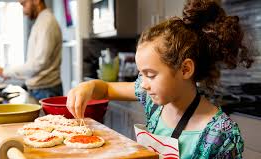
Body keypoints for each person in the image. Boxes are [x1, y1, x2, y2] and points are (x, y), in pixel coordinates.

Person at [66, 0, 253, 158]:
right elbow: (105, 89)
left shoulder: (221, 136)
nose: (144, 84)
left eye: (151, 74)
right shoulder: (154, 101)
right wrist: (88, 87)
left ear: (185, 69)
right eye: (141, 74)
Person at [0, 0, 63, 100]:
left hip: (46, 91)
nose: (24, 11)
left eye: (24, 4)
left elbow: (37, 64)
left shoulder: (47, 23)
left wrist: (5, 72)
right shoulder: (42, 21)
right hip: (42, 90)